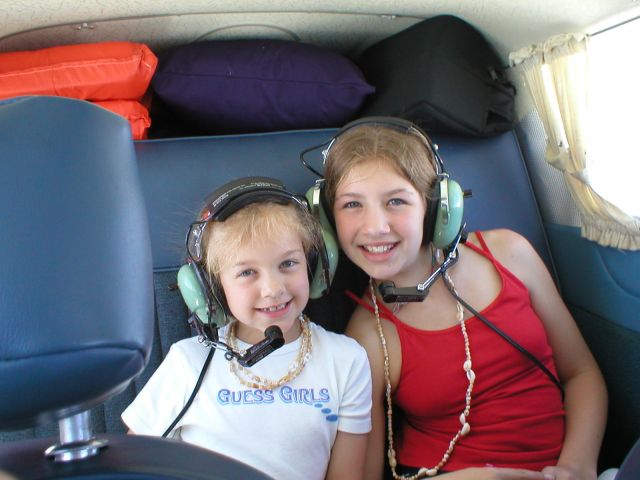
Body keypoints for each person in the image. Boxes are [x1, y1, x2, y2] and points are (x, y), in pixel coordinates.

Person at [319, 118, 608, 480]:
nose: (375, 226)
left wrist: (577, 465)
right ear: (329, 221)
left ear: (438, 206)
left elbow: (581, 373)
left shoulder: (508, 253)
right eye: (351, 205)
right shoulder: (366, 337)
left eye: (396, 201)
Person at [122, 177, 372, 480]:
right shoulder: (188, 363)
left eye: (288, 264)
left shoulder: (345, 360)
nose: (272, 288)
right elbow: (132, 465)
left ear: (315, 266)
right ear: (211, 288)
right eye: (247, 272)